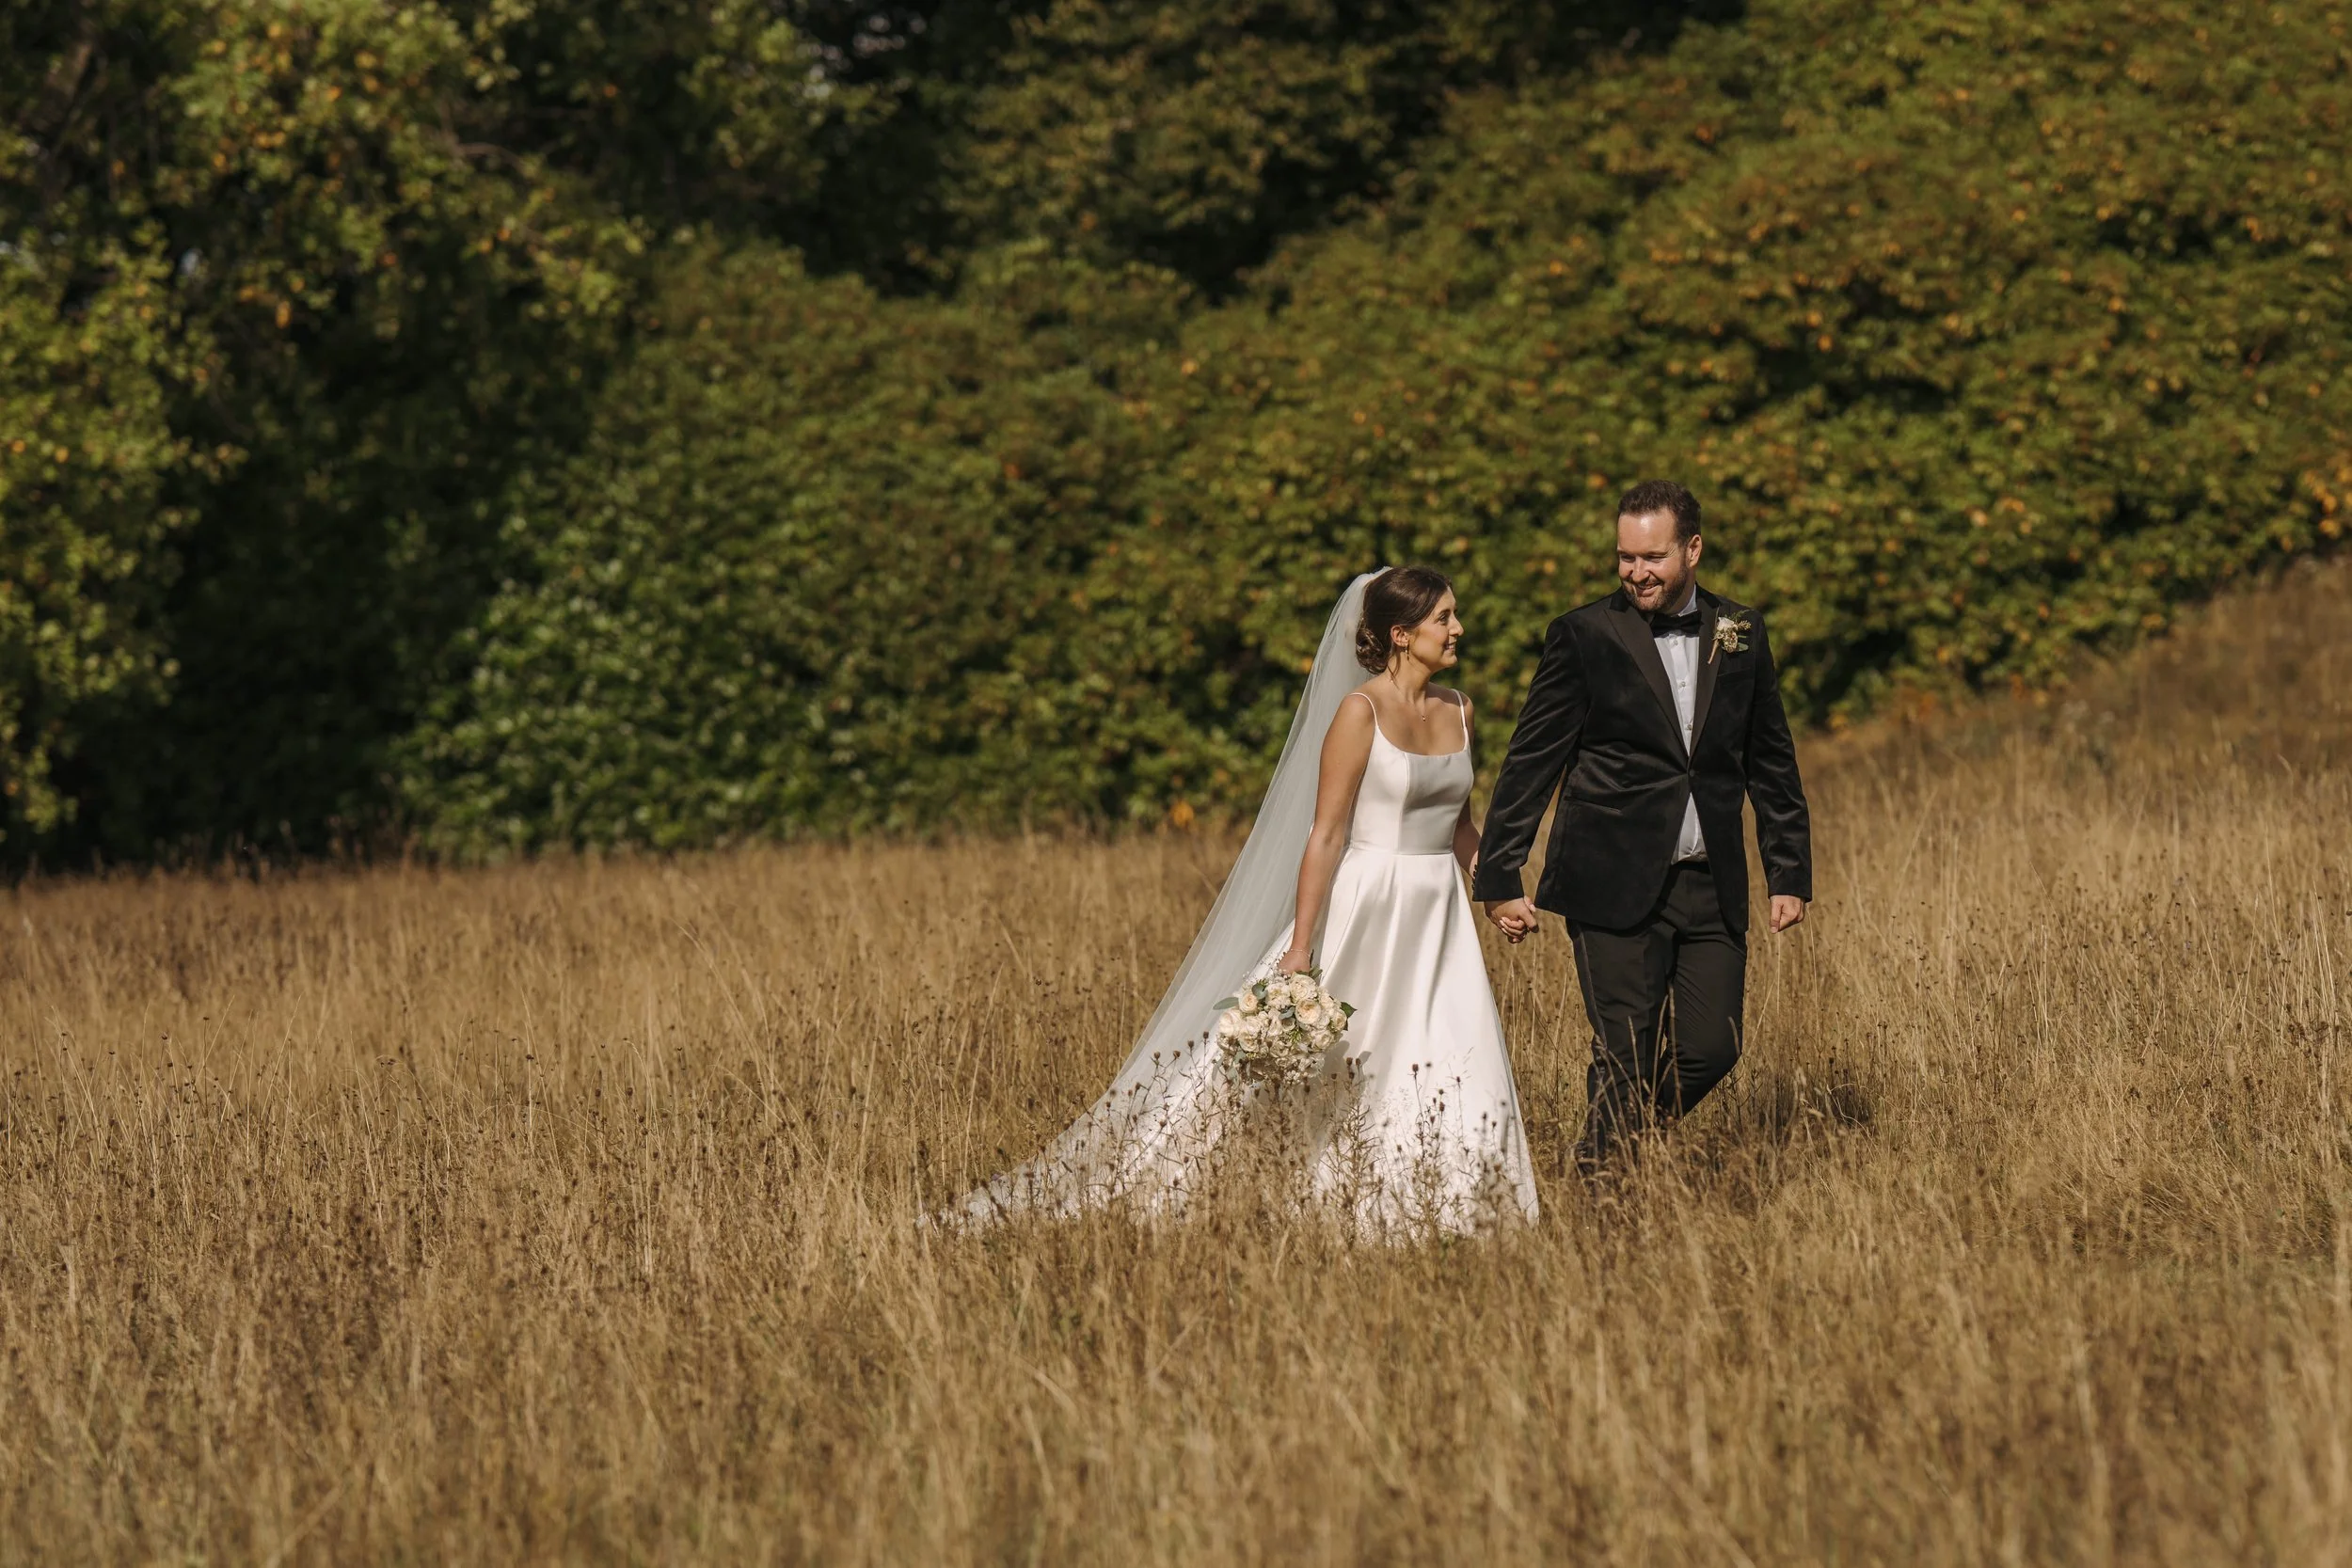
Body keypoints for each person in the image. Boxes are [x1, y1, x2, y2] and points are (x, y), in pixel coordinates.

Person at [949, 567, 1537, 1231]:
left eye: (1454, 616)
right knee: (1323, 1059)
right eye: (1444, 618)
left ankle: (1458, 1209)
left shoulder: (1459, 707)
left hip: (1440, 917)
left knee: (1450, 1050)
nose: (1458, 629)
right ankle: (1201, 1185)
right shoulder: (1359, 712)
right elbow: (1327, 833)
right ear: (1402, 634)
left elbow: (1459, 824)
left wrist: (1497, 892)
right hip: (1369, 905)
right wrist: (1300, 947)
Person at [1474, 480, 1813, 1174]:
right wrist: (1500, 873)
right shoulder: (1583, 634)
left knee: (1714, 1046)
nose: (1636, 572)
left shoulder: (1739, 630)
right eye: (1625, 557)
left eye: (1652, 556)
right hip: (1608, 881)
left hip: (1710, 880)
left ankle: (1609, 1144)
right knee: (1624, 1051)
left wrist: (1789, 870)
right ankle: (1606, 1186)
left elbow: (1770, 758)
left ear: (1693, 549)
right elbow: (1532, 759)